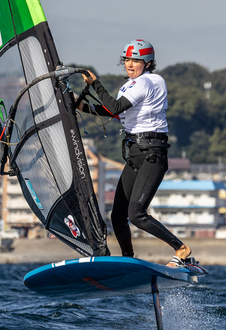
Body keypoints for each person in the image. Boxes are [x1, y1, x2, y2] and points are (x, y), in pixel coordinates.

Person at [76, 39, 192, 267]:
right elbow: (115, 112)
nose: (130, 64)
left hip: (152, 153)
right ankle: (128, 261)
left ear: (148, 63)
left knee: (137, 214)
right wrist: (80, 106)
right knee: (117, 215)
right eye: (127, 59)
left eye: (136, 60)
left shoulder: (150, 81)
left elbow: (116, 107)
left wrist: (96, 83)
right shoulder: (129, 86)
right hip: (136, 153)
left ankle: (181, 249)